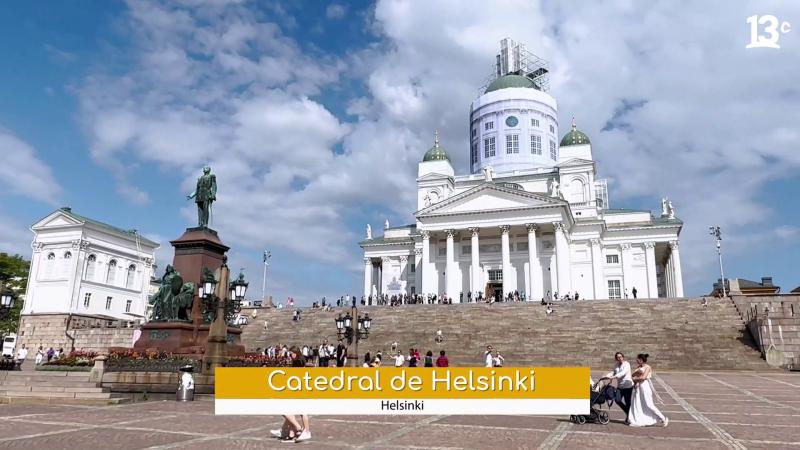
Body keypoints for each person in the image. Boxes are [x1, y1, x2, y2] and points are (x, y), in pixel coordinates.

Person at [270, 346, 312, 442]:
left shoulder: (299, 362)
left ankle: (300, 430)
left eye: (291, 354)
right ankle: (288, 431)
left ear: (295, 352)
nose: (290, 355)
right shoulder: (299, 360)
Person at [628, 353, 668, 427]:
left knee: (649, 404)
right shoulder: (638, 367)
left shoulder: (647, 367)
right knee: (639, 403)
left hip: (645, 386)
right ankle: (640, 419)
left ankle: (663, 418)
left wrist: (635, 378)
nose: (636, 360)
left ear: (641, 360)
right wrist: (635, 377)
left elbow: (643, 377)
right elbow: (632, 375)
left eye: (637, 359)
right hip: (638, 387)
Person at [600, 352, 634, 419]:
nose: (619, 358)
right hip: (620, 386)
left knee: (628, 402)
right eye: (618, 357)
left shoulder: (627, 364)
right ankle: (628, 412)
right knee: (617, 400)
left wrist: (614, 377)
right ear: (616, 358)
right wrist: (606, 376)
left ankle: (629, 417)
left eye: (620, 357)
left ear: (623, 357)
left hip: (628, 386)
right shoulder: (616, 365)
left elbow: (623, 373)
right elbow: (613, 372)